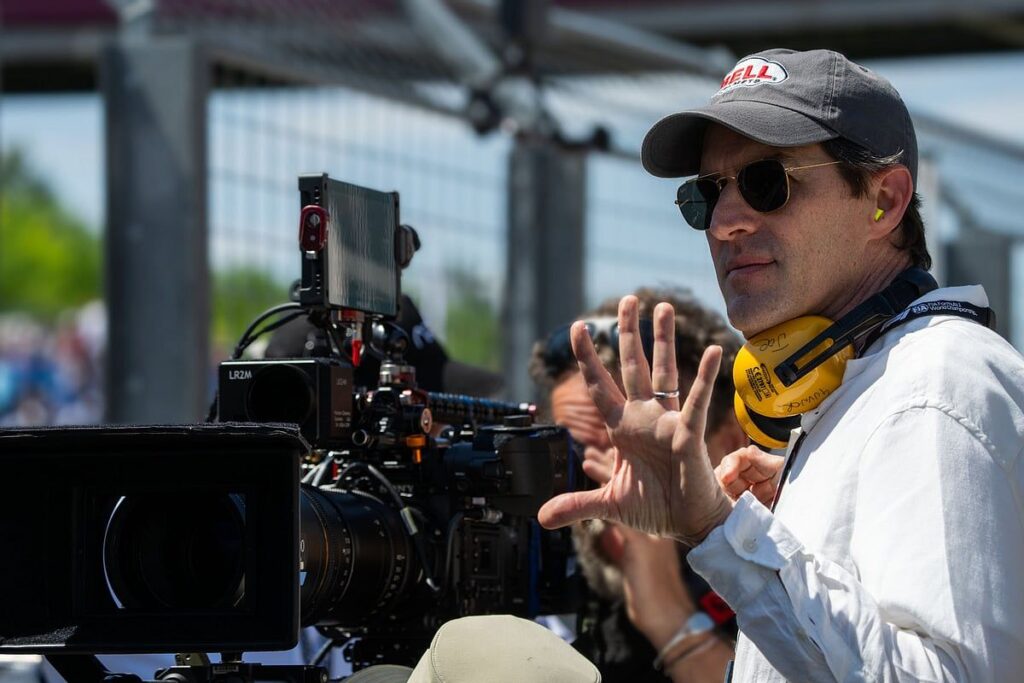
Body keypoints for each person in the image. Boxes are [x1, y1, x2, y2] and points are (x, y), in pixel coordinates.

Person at [538, 48, 1024, 681]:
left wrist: (719, 530)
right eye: (707, 193)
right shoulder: (875, 388)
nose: (725, 222)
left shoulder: (931, 387)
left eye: (768, 182)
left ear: (884, 200)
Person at [530, 288, 751, 682]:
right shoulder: (536, 583)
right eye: (573, 458)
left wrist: (670, 618)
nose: (609, 488)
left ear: (732, 442)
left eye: (647, 457)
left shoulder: (789, 577)